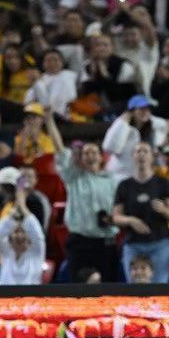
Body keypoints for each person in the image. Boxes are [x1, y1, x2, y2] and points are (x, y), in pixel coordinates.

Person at [46, 111, 118, 282]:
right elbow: (60, 149)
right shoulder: (73, 177)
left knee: (107, 290)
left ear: (102, 158)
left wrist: (113, 218)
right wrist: (49, 121)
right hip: (80, 243)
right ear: (81, 158)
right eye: (86, 153)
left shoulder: (112, 181)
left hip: (106, 242)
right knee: (81, 290)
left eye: (94, 152)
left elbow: (120, 208)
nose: (90, 155)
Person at [112, 142, 169, 283]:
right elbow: (116, 217)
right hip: (133, 243)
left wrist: (164, 210)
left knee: (159, 288)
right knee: (135, 290)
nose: (141, 154)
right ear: (132, 157)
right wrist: (131, 220)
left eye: (145, 151)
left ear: (152, 157)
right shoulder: (124, 185)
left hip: (160, 243)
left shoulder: (163, 183)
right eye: (138, 151)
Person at [0, 185, 46, 285]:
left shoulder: (36, 252)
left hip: (30, 298)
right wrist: (13, 214)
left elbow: (37, 234)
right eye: (16, 232)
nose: (20, 236)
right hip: (5, 298)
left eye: (23, 232)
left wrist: (23, 207)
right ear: (10, 236)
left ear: (29, 236)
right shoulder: (6, 251)